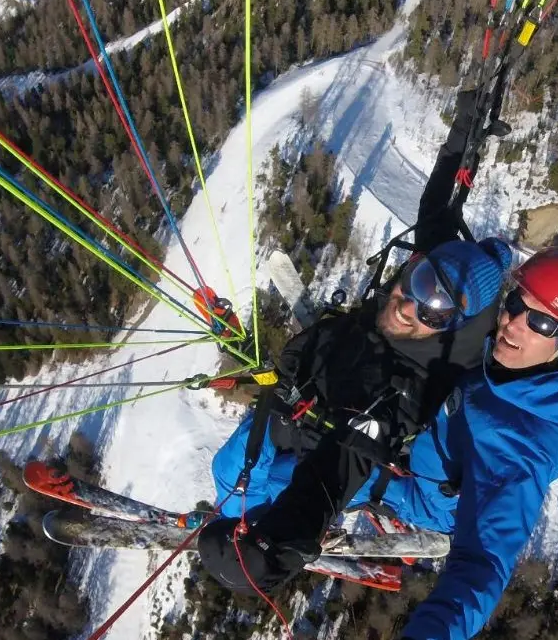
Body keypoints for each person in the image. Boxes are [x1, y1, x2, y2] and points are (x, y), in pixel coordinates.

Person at [197, 76, 516, 594]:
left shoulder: (419, 378)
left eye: (431, 313)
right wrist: (466, 129)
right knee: (235, 461)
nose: (408, 306)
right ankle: (238, 511)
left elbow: (335, 472)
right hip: (313, 389)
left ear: (454, 323)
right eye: (414, 284)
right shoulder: (441, 260)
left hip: (349, 432)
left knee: (265, 477)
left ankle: (255, 527)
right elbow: (442, 196)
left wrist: (284, 542)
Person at [387, 244, 558, 640]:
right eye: (515, 302)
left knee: (290, 466)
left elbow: (483, 563)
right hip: (421, 434)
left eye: (542, 323)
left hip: (421, 494)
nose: (513, 323)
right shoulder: (522, 365)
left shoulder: (522, 445)